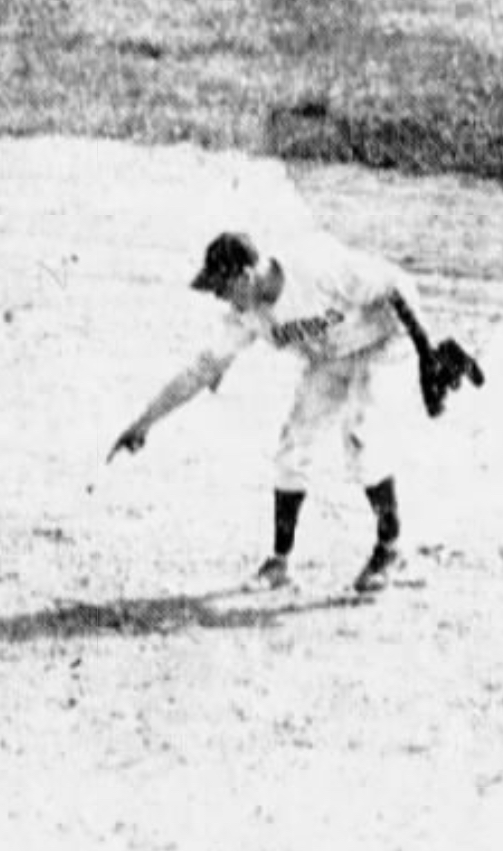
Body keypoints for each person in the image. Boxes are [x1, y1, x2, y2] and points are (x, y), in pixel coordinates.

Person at [109, 229, 468, 595]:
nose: (220, 297)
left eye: (221, 287)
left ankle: (391, 550)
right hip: (332, 357)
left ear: (245, 276)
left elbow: (394, 286)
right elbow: (201, 370)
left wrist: (427, 353)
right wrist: (144, 423)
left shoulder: (313, 266)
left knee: (361, 435)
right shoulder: (247, 314)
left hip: (386, 342)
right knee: (292, 449)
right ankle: (280, 564)